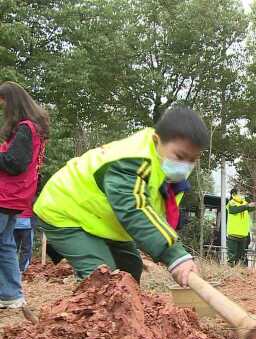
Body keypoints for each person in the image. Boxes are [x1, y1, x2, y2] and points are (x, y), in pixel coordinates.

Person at [34, 107, 205, 287]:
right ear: (157, 140)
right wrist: (175, 255)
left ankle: (128, 312)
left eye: (192, 159)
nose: (185, 165)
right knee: (102, 278)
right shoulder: (130, 162)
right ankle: (92, 313)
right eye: (180, 156)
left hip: (100, 218)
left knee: (129, 268)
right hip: (65, 210)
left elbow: (155, 216)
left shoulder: (170, 174)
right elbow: (134, 210)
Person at [0, 81, 48, 309]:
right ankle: (11, 295)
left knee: (5, 243)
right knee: (6, 244)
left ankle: (11, 294)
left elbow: (14, 163)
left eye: (4, 105)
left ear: (12, 103)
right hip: (17, 197)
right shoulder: (35, 129)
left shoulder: (24, 129)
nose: (3, 111)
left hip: (5, 195)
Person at [226, 188, 256, 265]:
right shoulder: (231, 203)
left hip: (243, 235)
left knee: (242, 258)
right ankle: (231, 274)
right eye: (240, 193)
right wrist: (247, 206)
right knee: (232, 258)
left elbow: (252, 207)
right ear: (234, 194)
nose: (242, 195)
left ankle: (241, 273)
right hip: (233, 235)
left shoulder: (244, 203)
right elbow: (234, 210)